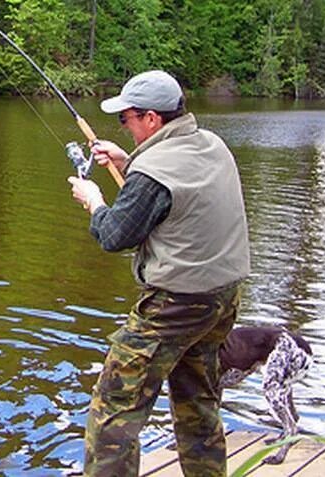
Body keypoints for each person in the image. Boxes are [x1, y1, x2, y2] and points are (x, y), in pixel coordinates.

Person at [67, 70, 250, 477]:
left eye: (126, 119)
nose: (125, 126)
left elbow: (115, 235)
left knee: (113, 409)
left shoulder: (153, 172)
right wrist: (128, 161)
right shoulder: (211, 145)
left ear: (152, 119)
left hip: (176, 306)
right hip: (223, 299)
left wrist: (94, 201)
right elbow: (178, 190)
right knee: (197, 401)